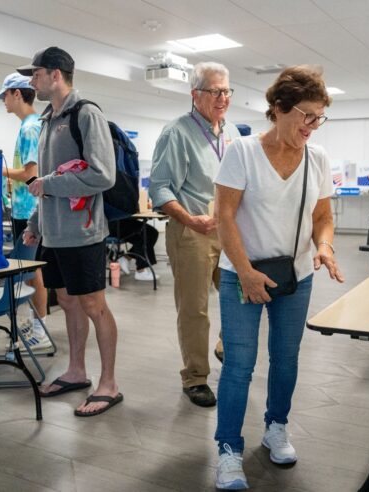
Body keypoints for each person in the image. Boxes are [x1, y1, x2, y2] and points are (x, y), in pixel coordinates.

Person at [212, 65, 344, 489]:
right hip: (242, 274)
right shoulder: (242, 152)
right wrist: (246, 272)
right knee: (239, 364)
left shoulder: (318, 158)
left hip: (296, 275)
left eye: (319, 117)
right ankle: (228, 449)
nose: (312, 126)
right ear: (278, 109)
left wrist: (324, 247)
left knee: (285, 359)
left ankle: (276, 427)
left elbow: (322, 216)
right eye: (306, 115)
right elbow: (224, 217)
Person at [17, 47, 123, 417]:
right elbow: (44, 184)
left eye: (36, 74)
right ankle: (76, 371)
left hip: (83, 233)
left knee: (94, 305)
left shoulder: (85, 114)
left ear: (56, 74)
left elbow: (102, 175)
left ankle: (108, 384)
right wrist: (34, 225)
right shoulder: (47, 121)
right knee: (68, 303)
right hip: (53, 235)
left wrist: (47, 184)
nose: (32, 82)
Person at [149, 62, 240, 407]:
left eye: (226, 91)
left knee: (239, 297)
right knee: (195, 309)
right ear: (195, 95)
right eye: (215, 91)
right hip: (192, 231)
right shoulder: (177, 133)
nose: (222, 98)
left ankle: (223, 345)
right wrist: (191, 219)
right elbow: (160, 189)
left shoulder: (226, 135)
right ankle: (195, 378)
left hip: (227, 232)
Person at [0, 72, 51, 351]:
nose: (3, 101)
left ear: (18, 94)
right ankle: (35, 325)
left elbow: (30, 174)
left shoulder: (30, 127)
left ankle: (38, 329)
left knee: (31, 272)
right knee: (30, 270)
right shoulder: (31, 125)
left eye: (5, 95)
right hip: (27, 208)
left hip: (29, 211)